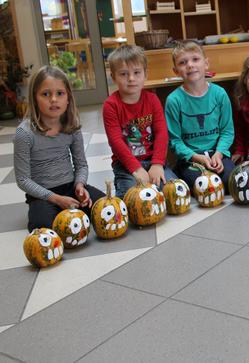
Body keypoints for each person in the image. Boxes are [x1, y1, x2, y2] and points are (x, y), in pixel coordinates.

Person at [13, 66, 104, 231]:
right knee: (44, 227)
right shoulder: (24, 133)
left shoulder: (72, 126)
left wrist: (80, 185)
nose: (53, 99)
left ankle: (74, 212)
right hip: (42, 195)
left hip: (71, 188)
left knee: (106, 208)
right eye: (46, 94)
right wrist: (55, 199)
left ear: (68, 98)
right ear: (34, 98)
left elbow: (81, 164)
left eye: (60, 93)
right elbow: (23, 180)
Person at [103, 45, 177, 198]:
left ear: (145, 74)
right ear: (113, 77)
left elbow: (162, 133)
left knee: (174, 193)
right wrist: (136, 169)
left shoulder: (152, 100)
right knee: (134, 198)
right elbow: (116, 142)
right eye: (124, 74)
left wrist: (157, 164)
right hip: (126, 165)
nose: (131, 78)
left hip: (153, 160)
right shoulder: (111, 105)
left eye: (137, 72)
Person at [164, 40, 235, 187]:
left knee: (231, 182)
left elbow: (227, 131)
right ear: (176, 71)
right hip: (190, 158)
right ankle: (180, 172)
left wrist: (219, 154)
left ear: (206, 64)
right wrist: (197, 158)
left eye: (195, 59)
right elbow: (174, 140)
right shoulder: (174, 100)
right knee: (204, 185)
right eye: (183, 62)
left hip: (217, 154)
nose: (190, 65)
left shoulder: (219, 94)